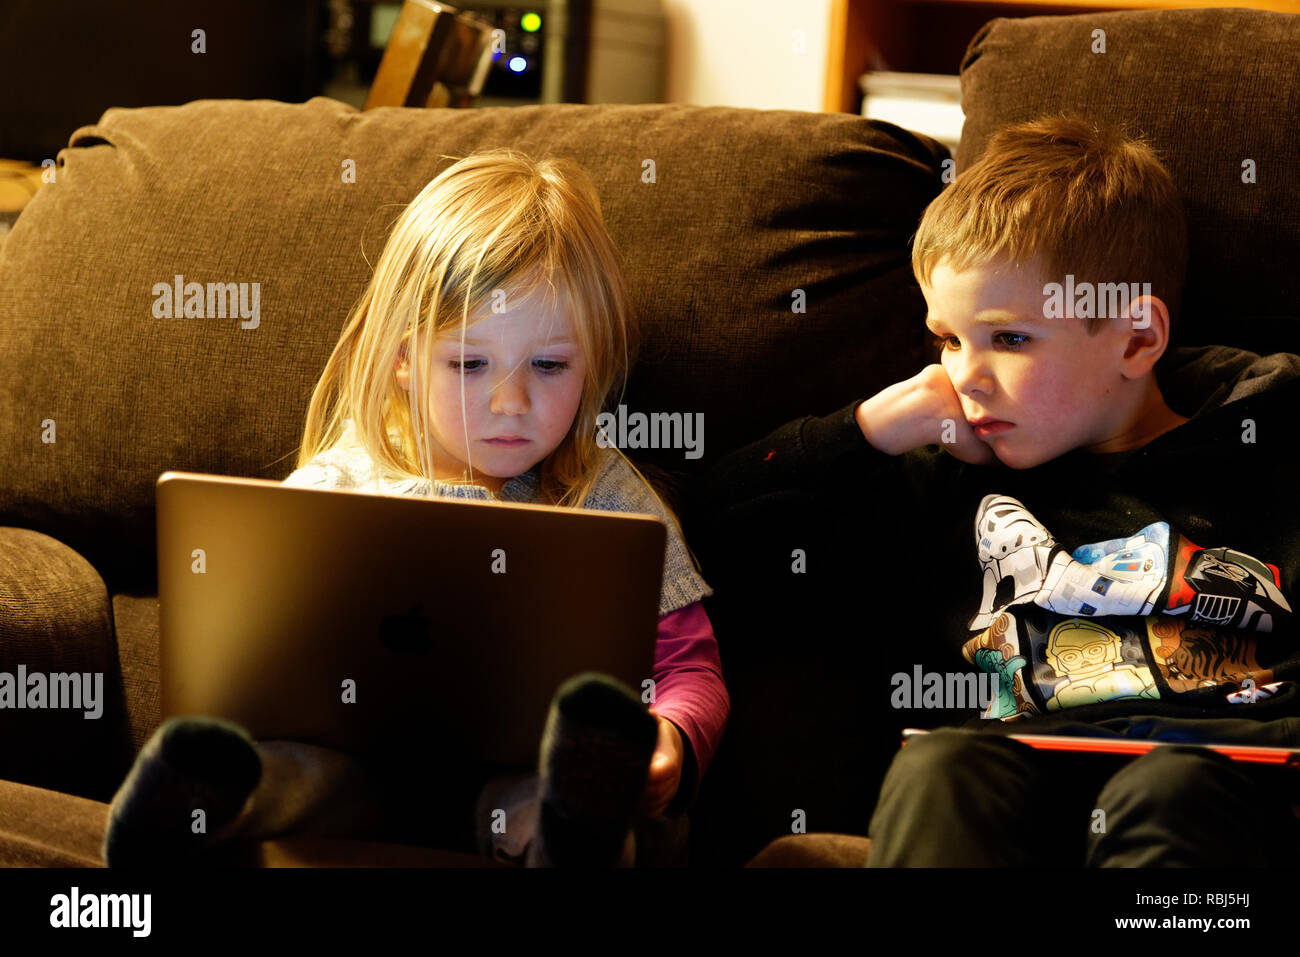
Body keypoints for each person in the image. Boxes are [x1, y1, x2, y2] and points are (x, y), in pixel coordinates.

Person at [686, 115, 1300, 866]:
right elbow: (695, 544)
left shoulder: (1268, 450)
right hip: (1010, 789)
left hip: (1219, 790)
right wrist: (868, 428)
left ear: (1137, 338)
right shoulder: (947, 474)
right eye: (948, 338)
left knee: (1165, 789)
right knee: (942, 765)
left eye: (1009, 339)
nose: (964, 376)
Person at [103, 149, 729, 868]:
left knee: (584, 797)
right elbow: (246, 658)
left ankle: (572, 834)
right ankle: (190, 813)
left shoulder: (608, 494)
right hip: (355, 776)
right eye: (468, 364)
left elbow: (691, 667)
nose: (511, 402)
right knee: (285, 773)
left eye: (550, 365)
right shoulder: (343, 483)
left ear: (594, 361)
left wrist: (672, 740)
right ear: (402, 359)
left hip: (521, 782)